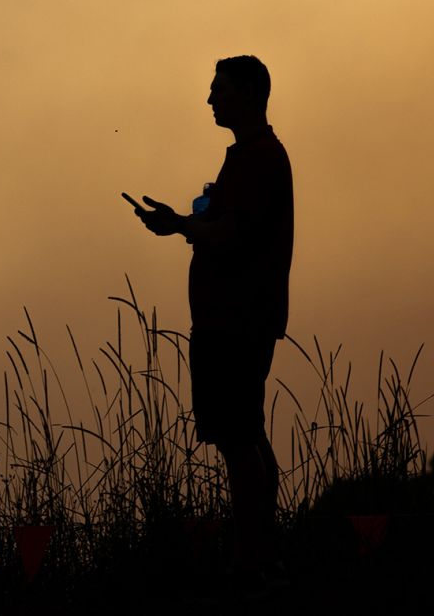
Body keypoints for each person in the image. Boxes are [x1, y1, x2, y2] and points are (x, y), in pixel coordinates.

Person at [130, 56, 294, 590]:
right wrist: (183, 222)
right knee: (245, 436)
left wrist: (183, 224)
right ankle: (258, 555)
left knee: (239, 440)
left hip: (236, 321)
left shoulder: (260, 158)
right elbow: (224, 224)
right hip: (236, 318)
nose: (209, 100)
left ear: (246, 93)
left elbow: (233, 233)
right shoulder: (250, 157)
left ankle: (250, 563)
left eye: (218, 90)